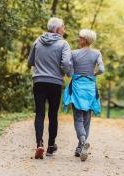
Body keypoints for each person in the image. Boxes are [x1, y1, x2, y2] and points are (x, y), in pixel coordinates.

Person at [28, 17, 72, 159]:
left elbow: (30, 61)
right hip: (55, 82)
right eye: (63, 27)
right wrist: (64, 72)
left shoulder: (37, 41)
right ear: (57, 29)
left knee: (39, 113)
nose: (64, 30)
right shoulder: (63, 44)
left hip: (39, 81)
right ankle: (51, 147)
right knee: (53, 115)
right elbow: (66, 63)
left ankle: (39, 143)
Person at [63, 29, 104, 161]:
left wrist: (71, 74)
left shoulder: (73, 53)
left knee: (78, 118)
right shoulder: (97, 53)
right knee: (87, 118)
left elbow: (68, 68)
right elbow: (102, 69)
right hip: (90, 87)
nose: (77, 39)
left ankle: (81, 140)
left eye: (79, 37)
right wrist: (93, 74)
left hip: (77, 87)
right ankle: (81, 146)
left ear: (85, 39)